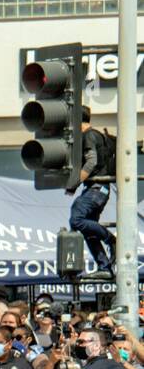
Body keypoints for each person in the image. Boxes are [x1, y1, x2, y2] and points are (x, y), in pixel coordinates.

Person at [68, 108, 116, 280]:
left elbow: (91, 161)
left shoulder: (89, 136)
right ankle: (105, 267)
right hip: (100, 189)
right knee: (89, 230)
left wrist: (74, 184)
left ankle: (111, 239)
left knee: (76, 219)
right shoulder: (98, 136)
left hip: (96, 189)